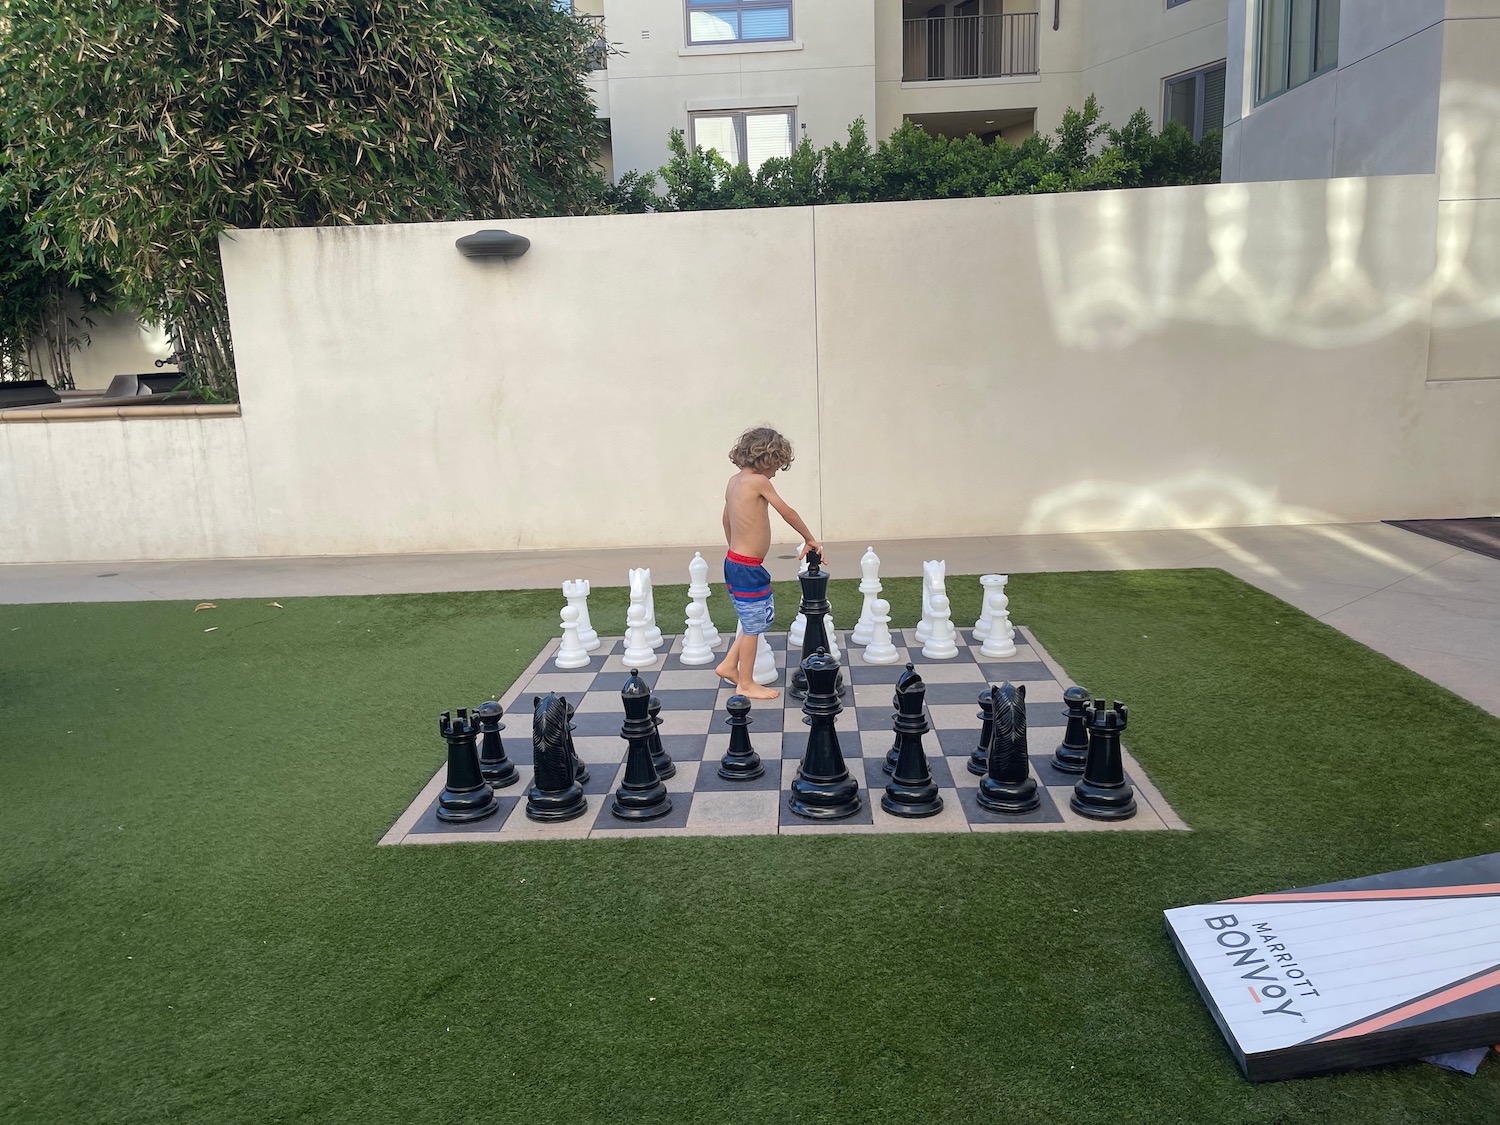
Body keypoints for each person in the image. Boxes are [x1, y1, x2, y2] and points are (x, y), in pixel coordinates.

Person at [716, 427, 821, 700]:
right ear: (767, 459)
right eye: (776, 465)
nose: (776, 472)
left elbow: (726, 520)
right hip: (747, 567)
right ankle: (747, 683)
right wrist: (809, 538)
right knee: (753, 627)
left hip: (736, 562)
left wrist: (735, 549)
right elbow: (787, 511)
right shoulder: (759, 482)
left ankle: (729, 664)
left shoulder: (734, 481)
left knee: (756, 619)